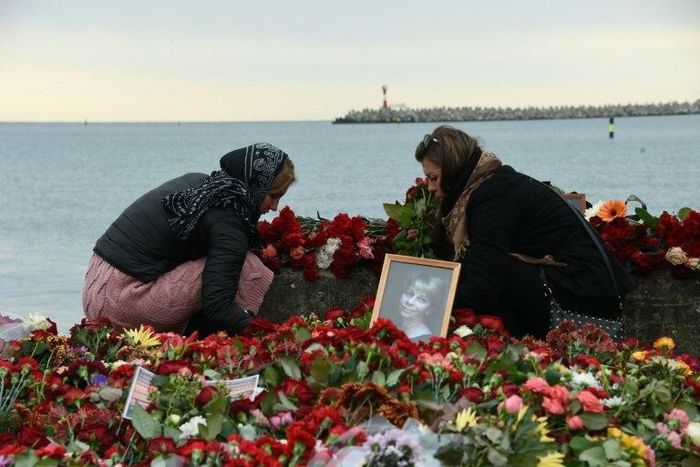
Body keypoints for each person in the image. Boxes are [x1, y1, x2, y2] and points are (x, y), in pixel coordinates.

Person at [414, 125, 632, 339]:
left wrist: (432, 300)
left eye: (433, 178)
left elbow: (483, 288)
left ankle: (522, 342)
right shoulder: (490, 183)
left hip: (587, 296)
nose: (430, 188)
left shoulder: (491, 199)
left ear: (453, 171)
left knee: (490, 272)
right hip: (585, 286)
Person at [82, 142, 296, 338]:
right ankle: (210, 342)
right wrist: (266, 335)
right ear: (257, 186)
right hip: (121, 304)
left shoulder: (205, 186)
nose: (275, 207)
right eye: (273, 196)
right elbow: (218, 307)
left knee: (225, 265)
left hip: (94, 289)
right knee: (249, 268)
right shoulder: (229, 218)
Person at [398, 273, 445, 342]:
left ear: (429, 310)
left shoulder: (425, 341)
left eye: (421, 300)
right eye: (409, 293)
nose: (410, 301)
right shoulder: (394, 326)